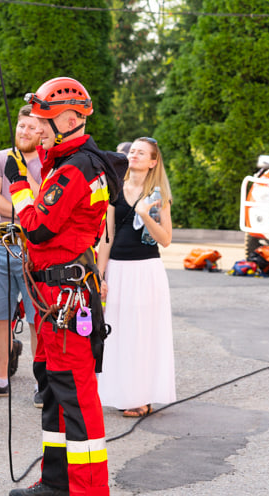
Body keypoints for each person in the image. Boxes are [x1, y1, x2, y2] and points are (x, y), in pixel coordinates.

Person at [6, 77, 126, 496]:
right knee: (56, 387)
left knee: (76, 392)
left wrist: (18, 184)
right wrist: (36, 162)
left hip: (66, 295)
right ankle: (58, 479)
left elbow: (38, 226)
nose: (36, 129)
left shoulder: (77, 169)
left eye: (43, 122)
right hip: (54, 293)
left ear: (70, 120)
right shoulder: (69, 164)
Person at [98, 137, 175, 417]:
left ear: (153, 161)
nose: (135, 155)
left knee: (144, 334)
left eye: (142, 153)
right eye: (133, 151)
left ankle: (141, 396)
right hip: (118, 269)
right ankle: (122, 393)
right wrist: (100, 275)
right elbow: (106, 237)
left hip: (146, 270)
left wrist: (146, 214)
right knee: (118, 334)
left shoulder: (158, 194)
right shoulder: (114, 190)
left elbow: (165, 239)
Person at [0, 105, 41, 399]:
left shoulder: (48, 161)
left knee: (37, 321)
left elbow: (44, 199)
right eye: (22, 126)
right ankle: (1, 379)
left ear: (43, 131)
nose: (25, 132)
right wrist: (25, 213)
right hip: (1, 248)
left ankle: (40, 384)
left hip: (33, 252)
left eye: (32, 127)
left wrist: (23, 172)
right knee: (0, 319)